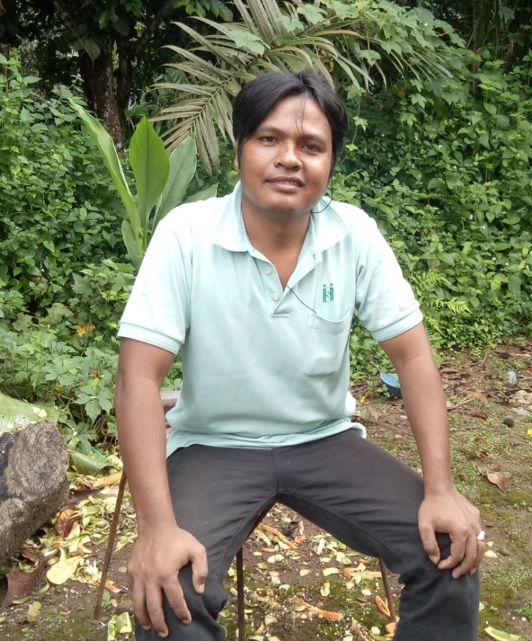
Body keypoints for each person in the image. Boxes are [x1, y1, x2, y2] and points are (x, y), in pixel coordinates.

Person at [115, 69, 483, 641]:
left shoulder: (353, 236)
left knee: (450, 550)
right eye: (269, 139)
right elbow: (138, 377)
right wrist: (156, 528)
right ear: (239, 149)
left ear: (331, 163)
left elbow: (413, 358)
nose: (289, 159)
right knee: (171, 590)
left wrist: (442, 489)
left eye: (311, 146)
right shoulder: (187, 235)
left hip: (324, 440)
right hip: (215, 445)